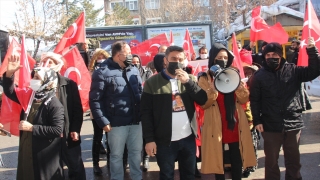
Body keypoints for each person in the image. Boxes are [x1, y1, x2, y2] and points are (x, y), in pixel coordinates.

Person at [250, 39, 319, 180]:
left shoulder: (293, 70)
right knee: (271, 162)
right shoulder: (258, 76)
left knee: (293, 161)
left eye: (274, 55)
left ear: (281, 56)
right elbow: (255, 100)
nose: (271, 58)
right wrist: (257, 120)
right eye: (267, 55)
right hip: (270, 125)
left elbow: (314, 71)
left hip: (293, 123)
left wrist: (312, 50)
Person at [141, 45, 208, 180]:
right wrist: (149, 140)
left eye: (180, 59)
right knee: (167, 175)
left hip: (188, 138)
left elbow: (203, 99)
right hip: (165, 140)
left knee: (189, 175)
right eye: (173, 58)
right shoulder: (152, 83)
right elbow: (145, 113)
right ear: (165, 60)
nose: (177, 62)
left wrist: (188, 82)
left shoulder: (190, 79)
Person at [198, 43, 256, 180]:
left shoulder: (233, 74)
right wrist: (212, 89)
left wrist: (240, 88)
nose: (222, 60)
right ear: (213, 58)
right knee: (219, 158)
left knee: (237, 156)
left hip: (234, 122)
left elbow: (244, 99)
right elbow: (204, 104)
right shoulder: (205, 78)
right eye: (219, 57)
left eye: (225, 57)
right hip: (216, 123)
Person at [4, 56, 65, 180]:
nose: (33, 80)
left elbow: (57, 130)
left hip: (43, 156)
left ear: (48, 82)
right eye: (33, 76)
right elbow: (10, 92)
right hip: (27, 152)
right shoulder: (30, 97)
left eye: (37, 78)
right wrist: (9, 73)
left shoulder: (54, 104)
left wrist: (32, 128)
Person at [89, 41, 143, 180]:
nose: (131, 55)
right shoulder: (102, 72)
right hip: (115, 124)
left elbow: (140, 93)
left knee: (136, 153)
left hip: (136, 121)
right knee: (116, 156)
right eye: (129, 52)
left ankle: (137, 177)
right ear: (119, 55)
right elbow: (95, 100)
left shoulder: (134, 69)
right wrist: (103, 121)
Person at [39, 52, 86, 180]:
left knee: (76, 168)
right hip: (47, 137)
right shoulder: (37, 85)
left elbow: (77, 110)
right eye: (44, 62)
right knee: (52, 171)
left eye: (50, 62)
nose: (47, 65)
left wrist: (75, 129)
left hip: (67, 135)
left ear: (58, 65)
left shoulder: (69, 84)